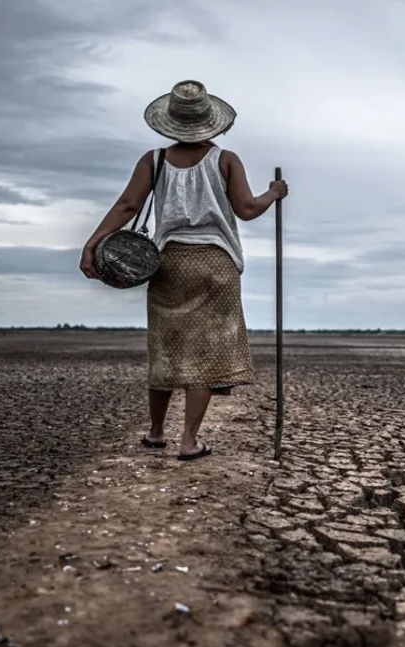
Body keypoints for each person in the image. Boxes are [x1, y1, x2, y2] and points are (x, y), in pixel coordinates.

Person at [79, 80, 288, 461]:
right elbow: (246, 208)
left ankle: (157, 432)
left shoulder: (153, 160)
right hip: (216, 264)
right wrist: (273, 194)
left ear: (171, 122)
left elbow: (128, 206)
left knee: (165, 347)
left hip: (169, 262)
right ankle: (189, 441)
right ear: (211, 122)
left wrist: (93, 242)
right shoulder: (225, 159)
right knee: (206, 354)